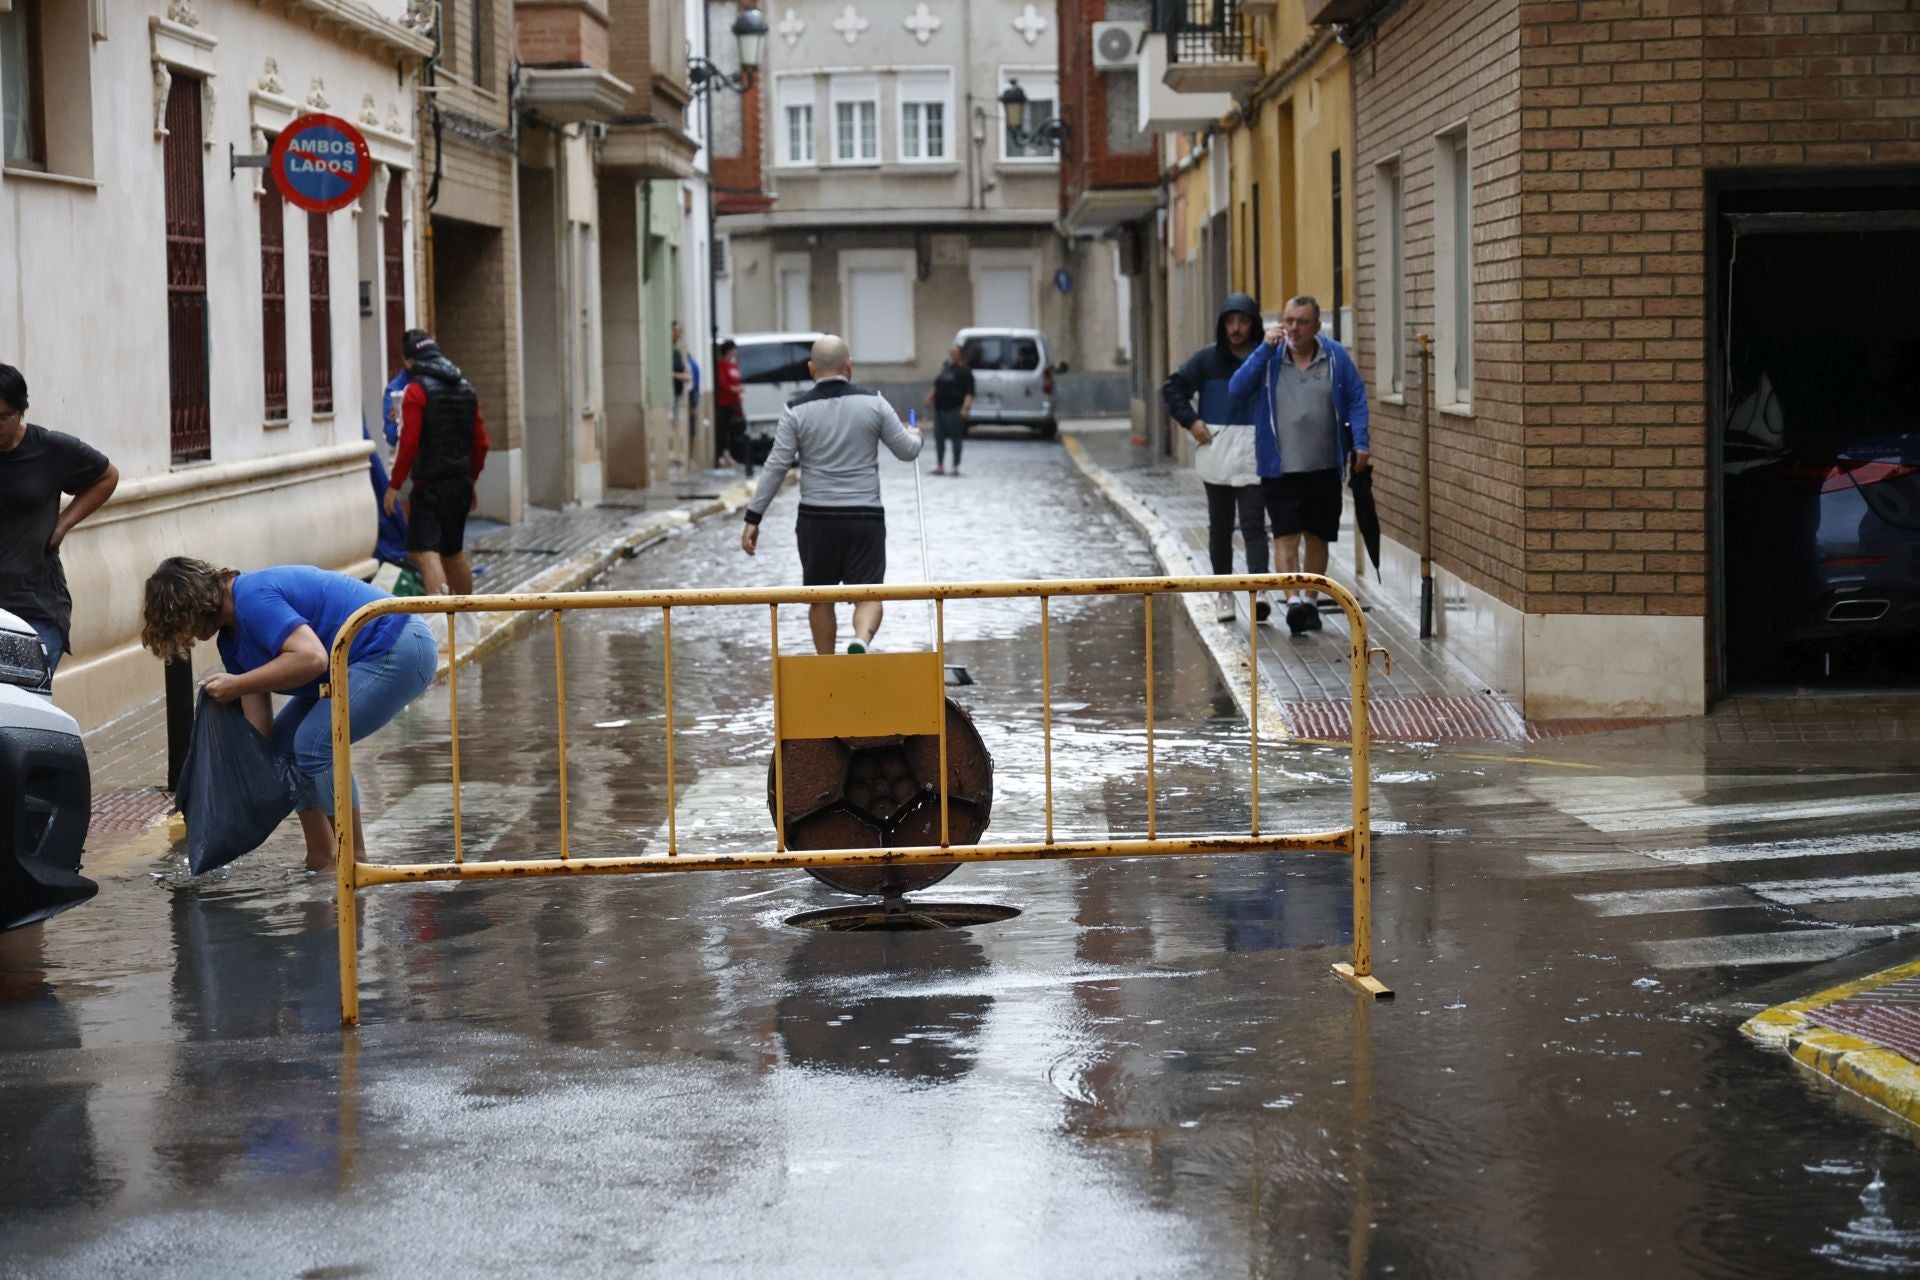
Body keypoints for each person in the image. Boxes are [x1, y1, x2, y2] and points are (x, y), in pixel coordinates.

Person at [140, 557, 438, 872]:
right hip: (357, 661)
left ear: (191, 606)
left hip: (398, 645)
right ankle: (321, 858)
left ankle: (355, 861)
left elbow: (311, 658)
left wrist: (238, 684)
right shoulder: (231, 639)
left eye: (180, 626)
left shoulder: (252, 597)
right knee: (284, 750)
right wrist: (250, 774)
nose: (190, 638)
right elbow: (261, 723)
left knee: (314, 744)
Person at [739, 335, 923, 655]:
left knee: (819, 598)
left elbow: (776, 466)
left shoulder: (795, 411)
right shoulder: (875, 403)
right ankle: (860, 640)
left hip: (816, 519)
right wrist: (916, 436)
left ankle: (827, 664)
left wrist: (754, 517)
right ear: (849, 366)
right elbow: (907, 452)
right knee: (869, 594)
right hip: (864, 517)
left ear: (811, 369)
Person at [1228, 295, 1371, 635]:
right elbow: (1237, 389)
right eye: (1288, 320)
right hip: (1280, 467)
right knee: (1286, 535)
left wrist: (1361, 442)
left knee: (1318, 536)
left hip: (1324, 466)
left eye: (1302, 322)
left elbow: (1356, 398)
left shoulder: (1335, 356)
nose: (1293, 328)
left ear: (1316, 326)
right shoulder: (1270, 356)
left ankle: (1310, 600)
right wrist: (1262, 348)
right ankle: (1292, 602)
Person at [0, 363, 119, 678]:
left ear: (21, 411)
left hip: (34, 607)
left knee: (25, 708)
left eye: (2, 418)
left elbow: (106, 477)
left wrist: (64, 524)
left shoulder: (50, 448)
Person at [1162, 293, 1270, 625]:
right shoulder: (1206, 360)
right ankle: (1223, 591)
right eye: (1230, 321)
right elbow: (1172, 388)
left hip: (1254, 448)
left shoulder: (1264, 357)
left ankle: (1258, 590)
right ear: (1222, 325)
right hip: (1218, 449)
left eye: (1243, 321)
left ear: (1253, 323)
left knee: (1254, 525)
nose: (1236, 329)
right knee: (1220, 527)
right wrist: (1192, 422)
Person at [382, 330, 489, 597]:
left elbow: (408, 443)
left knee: (428, 553)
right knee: (453, 554)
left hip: (428, 485)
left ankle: (440, 626)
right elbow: (481, 443)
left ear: (409, 361)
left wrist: (395, 485)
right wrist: (471, 480)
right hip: (459, 483)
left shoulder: (416, 392)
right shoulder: (466, 388)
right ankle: (466, 625)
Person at [924, 344, 974, 477]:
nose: (951, 355)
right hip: (940, 408)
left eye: (954, 353)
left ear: (961, 354)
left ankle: (955, 466)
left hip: (955, 409)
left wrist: (965, 408)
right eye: (950, 352)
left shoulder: (965, 371)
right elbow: (938, 385)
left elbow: (970, 393)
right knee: (938, 437)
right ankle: (940, 465)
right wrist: (931, 396)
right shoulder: (947, 368)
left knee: (956, 438)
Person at [714, 339, 747, 473]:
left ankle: (733, 455)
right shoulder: (721, 365)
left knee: (737, 429)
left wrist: (739, 389)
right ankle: (723, 454)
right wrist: (733, 389)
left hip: (736, 403)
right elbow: (722, 383)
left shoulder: (734, 365)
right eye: (733, 349)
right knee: (724, 430)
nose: (735, 352)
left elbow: (737, 379)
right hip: (724, 403)